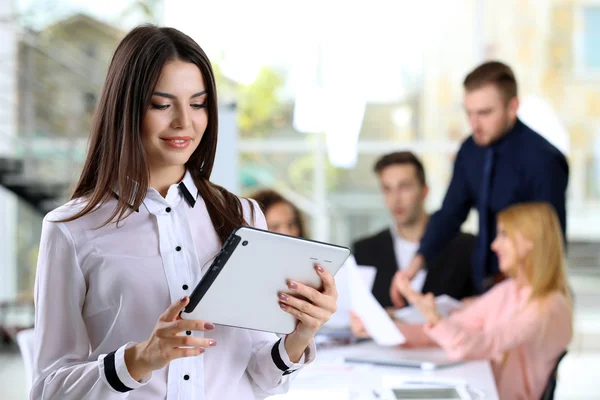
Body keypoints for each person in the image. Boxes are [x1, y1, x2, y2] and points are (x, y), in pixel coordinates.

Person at [31, 25, 338, 400]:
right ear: (126, 109)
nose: (184, 122)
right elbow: (48, 389)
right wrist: (140, 359)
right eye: (162, 104)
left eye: (198, 103)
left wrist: (302, 334)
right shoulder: (71, 228)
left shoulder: (243, 215)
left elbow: (260, 375)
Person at [353, 202, 572, 400]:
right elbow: (453, 328)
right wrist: (380, 326)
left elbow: (486, 344)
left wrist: (435, 319)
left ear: (530, 241)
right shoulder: (508, 290)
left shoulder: (549, 306)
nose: (495, 245)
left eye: (504, 235)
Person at [393, 61, 569, 305]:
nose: (474, 124)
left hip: (530, 295)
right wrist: (414, 266)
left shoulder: (544, 160)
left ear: (512, 107)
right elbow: (450, 214)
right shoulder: (470, 151)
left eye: (485, 113)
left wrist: (514, 301)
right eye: (469, 113)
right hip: (484, 288)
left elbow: (550, 244)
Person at [353, 152, 476, 309]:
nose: (395, 199)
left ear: (424, 191)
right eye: (387, 189)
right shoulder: (364, 251)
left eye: (404, 187)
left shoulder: (466, 247)